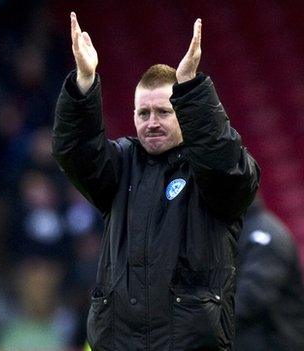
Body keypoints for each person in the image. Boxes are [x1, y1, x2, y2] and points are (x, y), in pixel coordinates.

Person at [52, 12, 260, 350]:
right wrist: (84, 82)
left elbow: (229, 173)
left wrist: (192, 88)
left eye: (163, 112)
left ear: (183, 112)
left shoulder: (208, 170)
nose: (152, 123)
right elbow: (74, 151)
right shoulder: (120, 165)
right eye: (143, 113)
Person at [235, 196, 304, 350]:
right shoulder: (234, 233)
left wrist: (206, 323)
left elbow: (252, 296)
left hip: (276, 342)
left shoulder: (265, 234)